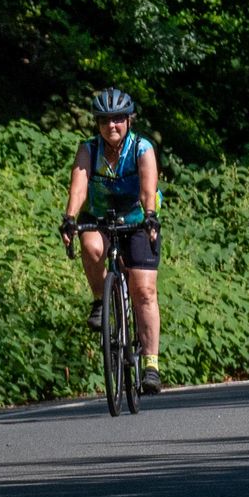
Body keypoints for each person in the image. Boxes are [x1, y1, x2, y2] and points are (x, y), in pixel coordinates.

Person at [60, 87, 163, 396]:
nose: (112, 126)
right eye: (105, 121)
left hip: (136, 218)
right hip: (100, 217)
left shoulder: (141, 148)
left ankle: (151, 365)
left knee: (144, 289)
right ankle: (100, 300)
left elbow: (148, 188)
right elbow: (78, 187)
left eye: (118, 120)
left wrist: (150, 215)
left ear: (128, 120)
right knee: (90, 246)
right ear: (98, 124)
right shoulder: (89, 150)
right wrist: (70, 217)